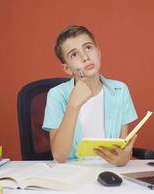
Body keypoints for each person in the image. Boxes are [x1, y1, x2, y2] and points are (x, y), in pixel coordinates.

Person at [42, 25, 138, 166]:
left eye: (88, 48)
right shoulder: (56, 95)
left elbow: (123, 147)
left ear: (98, 53)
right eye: (74, 55)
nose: (85, 57)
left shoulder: (119, 90)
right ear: (67, 68)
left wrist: (124, 157)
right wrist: (73, 106)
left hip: (108, 171)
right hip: (71, 174)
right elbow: (59, 156)